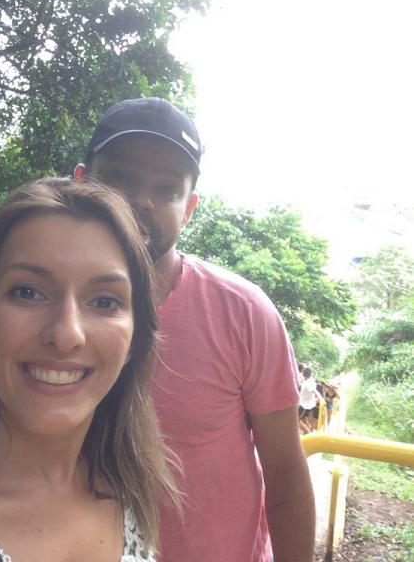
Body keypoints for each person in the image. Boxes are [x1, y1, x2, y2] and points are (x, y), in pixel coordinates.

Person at [75, 97, 316, 562]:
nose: (141, 201)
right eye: (120, 178)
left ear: (188, 209)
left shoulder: (244, 312)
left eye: (167, 189)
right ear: (82, 182)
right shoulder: (42, 311)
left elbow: (285, 472)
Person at [0, 178, 180, 562]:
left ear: (133, 339)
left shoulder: (127, 480)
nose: (67, 335)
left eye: (104, 301)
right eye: (28, 292)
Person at [299, 367, 325, 432]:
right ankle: (307, 433)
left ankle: (308, 433)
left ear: (303, 373)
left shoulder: (308, 383)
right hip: (307, 405)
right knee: (305, 420)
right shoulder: (310, 381)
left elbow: (313, 390)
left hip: (304, 406)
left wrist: (321, 398)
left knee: (296, 421)